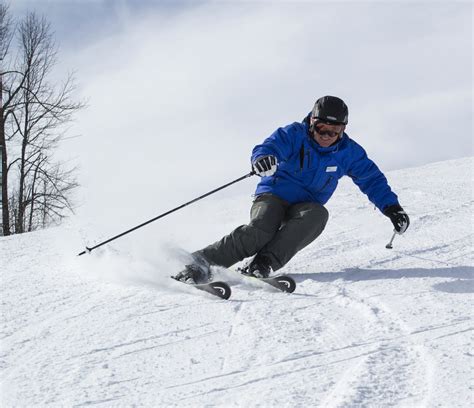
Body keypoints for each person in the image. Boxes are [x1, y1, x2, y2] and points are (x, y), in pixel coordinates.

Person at [175, 95, 410, 284]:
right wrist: (264, 159)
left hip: (306, 204)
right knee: (262, 229)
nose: (327, 136)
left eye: (334, 131)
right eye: (321, 129)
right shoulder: (294, 134)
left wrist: (392, 208)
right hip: (274, 194)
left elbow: (371, 179)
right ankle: (200, 263)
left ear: (344, 129)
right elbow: (269, 146)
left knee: (317, 215)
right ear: (311, 123)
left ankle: (262, 264)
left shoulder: (348, 152)